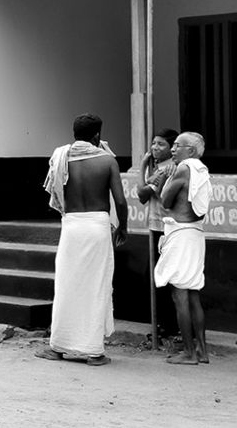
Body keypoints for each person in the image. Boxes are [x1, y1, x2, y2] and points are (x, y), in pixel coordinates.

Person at [37, 113, 128, 365]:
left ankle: (57, 347)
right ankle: (94, 352)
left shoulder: (61, 158)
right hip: (97, 227)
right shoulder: (107, 161)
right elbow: (120, 201)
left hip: (72, 227)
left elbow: (56, 193)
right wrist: (123, 227)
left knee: (66, 285)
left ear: (74, 133)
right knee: (96, 286)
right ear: (97, 135)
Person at [156, 131, 212, 365]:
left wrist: (161, 179)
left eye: (178, 146)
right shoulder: (201, 169)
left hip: (181, 234)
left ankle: (189, 353)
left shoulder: (183, 168)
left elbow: (165, 201)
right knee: (193, 294)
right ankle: (202, 351)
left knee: (180, 296)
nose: (172, 149)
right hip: (195, 234)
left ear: (190, 150)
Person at [137, 128, 179, 338]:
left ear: (172, 149)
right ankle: (165, 325)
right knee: (156, 278)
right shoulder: (162, 167)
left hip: (163, 229)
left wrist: (142, 165)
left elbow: (142, 194)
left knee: (159, 278)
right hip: (158, 227)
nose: (154, 148)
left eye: (161, 144)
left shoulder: (164, 170)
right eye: (153, 143)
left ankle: (168, 326)